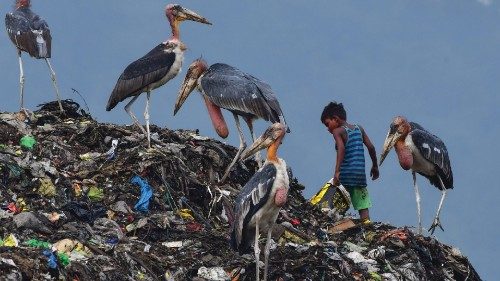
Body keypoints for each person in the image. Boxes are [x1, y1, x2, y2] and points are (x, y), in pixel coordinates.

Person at [320, 101, 379, 224]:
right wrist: (375, 166)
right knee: (363, 205)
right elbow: (371, 147)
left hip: (345, 174)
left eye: (327, 124)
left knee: (333, 197)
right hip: (359, 175)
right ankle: (366, 224)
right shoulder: (359, 129)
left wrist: (337, 171)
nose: (327, 129)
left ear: (335, 119)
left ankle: (327, 219)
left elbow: (341, 148)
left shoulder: (338, 131)